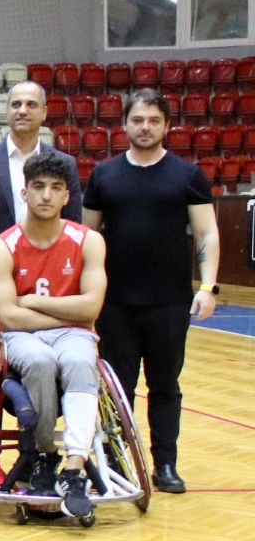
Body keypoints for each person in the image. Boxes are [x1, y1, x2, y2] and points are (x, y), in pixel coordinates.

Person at [82, 87, 219, 494]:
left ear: (167, 125)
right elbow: (86, 236)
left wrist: (208, 286)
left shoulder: (187, 174)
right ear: (124, 124)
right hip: (115, 304)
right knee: (116, 388)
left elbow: (207, 232)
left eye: (154, 120)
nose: (145, 127)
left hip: (169, 302)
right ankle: (118, 465)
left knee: (165, 386)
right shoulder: (104, 174)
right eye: (138, 120)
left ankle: (166, 465)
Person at [0, 153, 108, 516]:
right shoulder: (1, 247)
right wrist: (65, 312)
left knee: (79, 358)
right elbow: (6, 315)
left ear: (67, 197)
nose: (46, 196)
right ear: (24, 193)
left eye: (55, 188)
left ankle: (73, 464)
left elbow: (91, 309)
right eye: (38, 187)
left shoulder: (88, 241)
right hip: (23, 338)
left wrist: (34, 303)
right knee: (40, 360)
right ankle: (44, 452)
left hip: (71, 335)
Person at [0, 81, 83, 357]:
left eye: (31, 104)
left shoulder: (65, 164)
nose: (22, 110)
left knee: (53, 358)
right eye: (16, 104)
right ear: (7, 111)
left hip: (52, 283)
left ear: (44, 113)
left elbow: (73, 221)